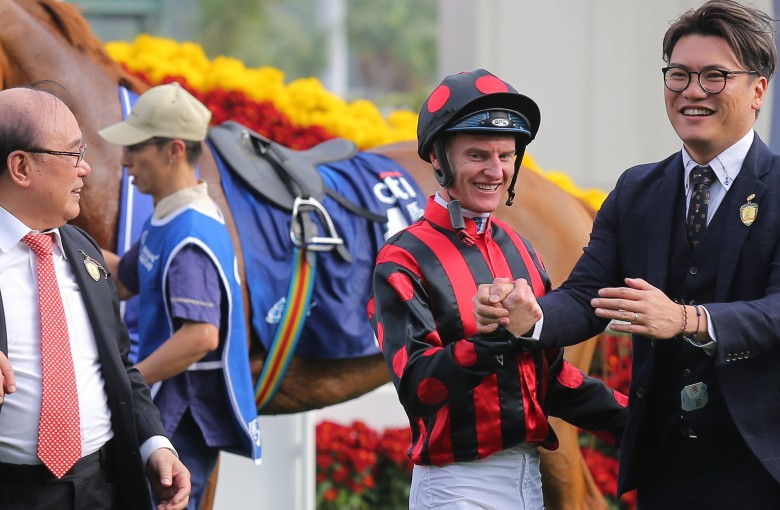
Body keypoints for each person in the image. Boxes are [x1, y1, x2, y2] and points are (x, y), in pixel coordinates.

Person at [474, 1, 780, 508]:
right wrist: (529, 317)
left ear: (758, 90)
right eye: (678, 75)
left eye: (714, 75)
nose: (692, 91)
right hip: (665, 464)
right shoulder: (638, 190)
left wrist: (687, 319)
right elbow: (586, 295)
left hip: (763, 462)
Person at [367, 68, 627, 510]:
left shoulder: (521, 248)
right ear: (436, 157)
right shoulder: (403, 257)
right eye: (477, 155)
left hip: (528, 479)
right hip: (456, 487)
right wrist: (490, 340)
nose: (495, 171)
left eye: (506, 156)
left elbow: (550, 378)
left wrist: (640, 421)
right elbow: (418, 388)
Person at [0, 85, 190, 510]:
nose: (85, 169)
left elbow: (120, 366)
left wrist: (155, 445)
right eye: (72, 154)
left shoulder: (83, 251)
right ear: (21, 167)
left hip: (103, 486)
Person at [98, 82, 261, 510]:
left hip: (180, 417)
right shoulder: (170, 214)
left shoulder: (189, 231)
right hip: (169, 411)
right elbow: (123, 279)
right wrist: (60, 233)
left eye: (135, 147)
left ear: (173, 150)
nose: (124, 160)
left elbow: (202, 336)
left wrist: (127, 383)